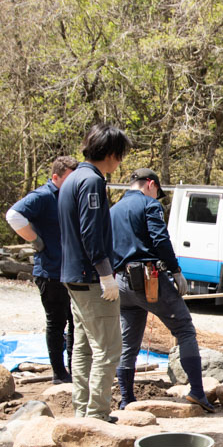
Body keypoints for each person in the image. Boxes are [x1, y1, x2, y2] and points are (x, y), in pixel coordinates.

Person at [110, 168, 215, 413]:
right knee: (184, 329)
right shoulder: (149, 205)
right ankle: (197, 391)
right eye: (157, 192)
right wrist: (175, 270)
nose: (156, 197)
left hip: (121, 281)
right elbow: (160, 239)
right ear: (150, 183)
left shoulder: (113, 210)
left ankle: (126, 398)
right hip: (148, 279)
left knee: (128, 342)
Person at [58, 123, 130, 421]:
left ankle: (82, 410)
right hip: (91, 277)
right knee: (109, 348)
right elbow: (91, 232)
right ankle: (97, 414)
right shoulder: (92, 181)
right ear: (111, 153)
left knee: (84, 347)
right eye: (120, 155)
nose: (120, 162)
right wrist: (105, 273)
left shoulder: (72, 178)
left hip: (72, 274)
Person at [7, 155, 78, 384]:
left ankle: (75, 369)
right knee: (57, 323)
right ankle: (59, 373)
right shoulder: (43, 196)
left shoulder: (71, 196)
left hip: (72, 270)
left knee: (76, 322)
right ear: (56, 177)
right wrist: (35, 240)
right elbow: (13, 215)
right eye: (69, 178)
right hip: (50, 271)